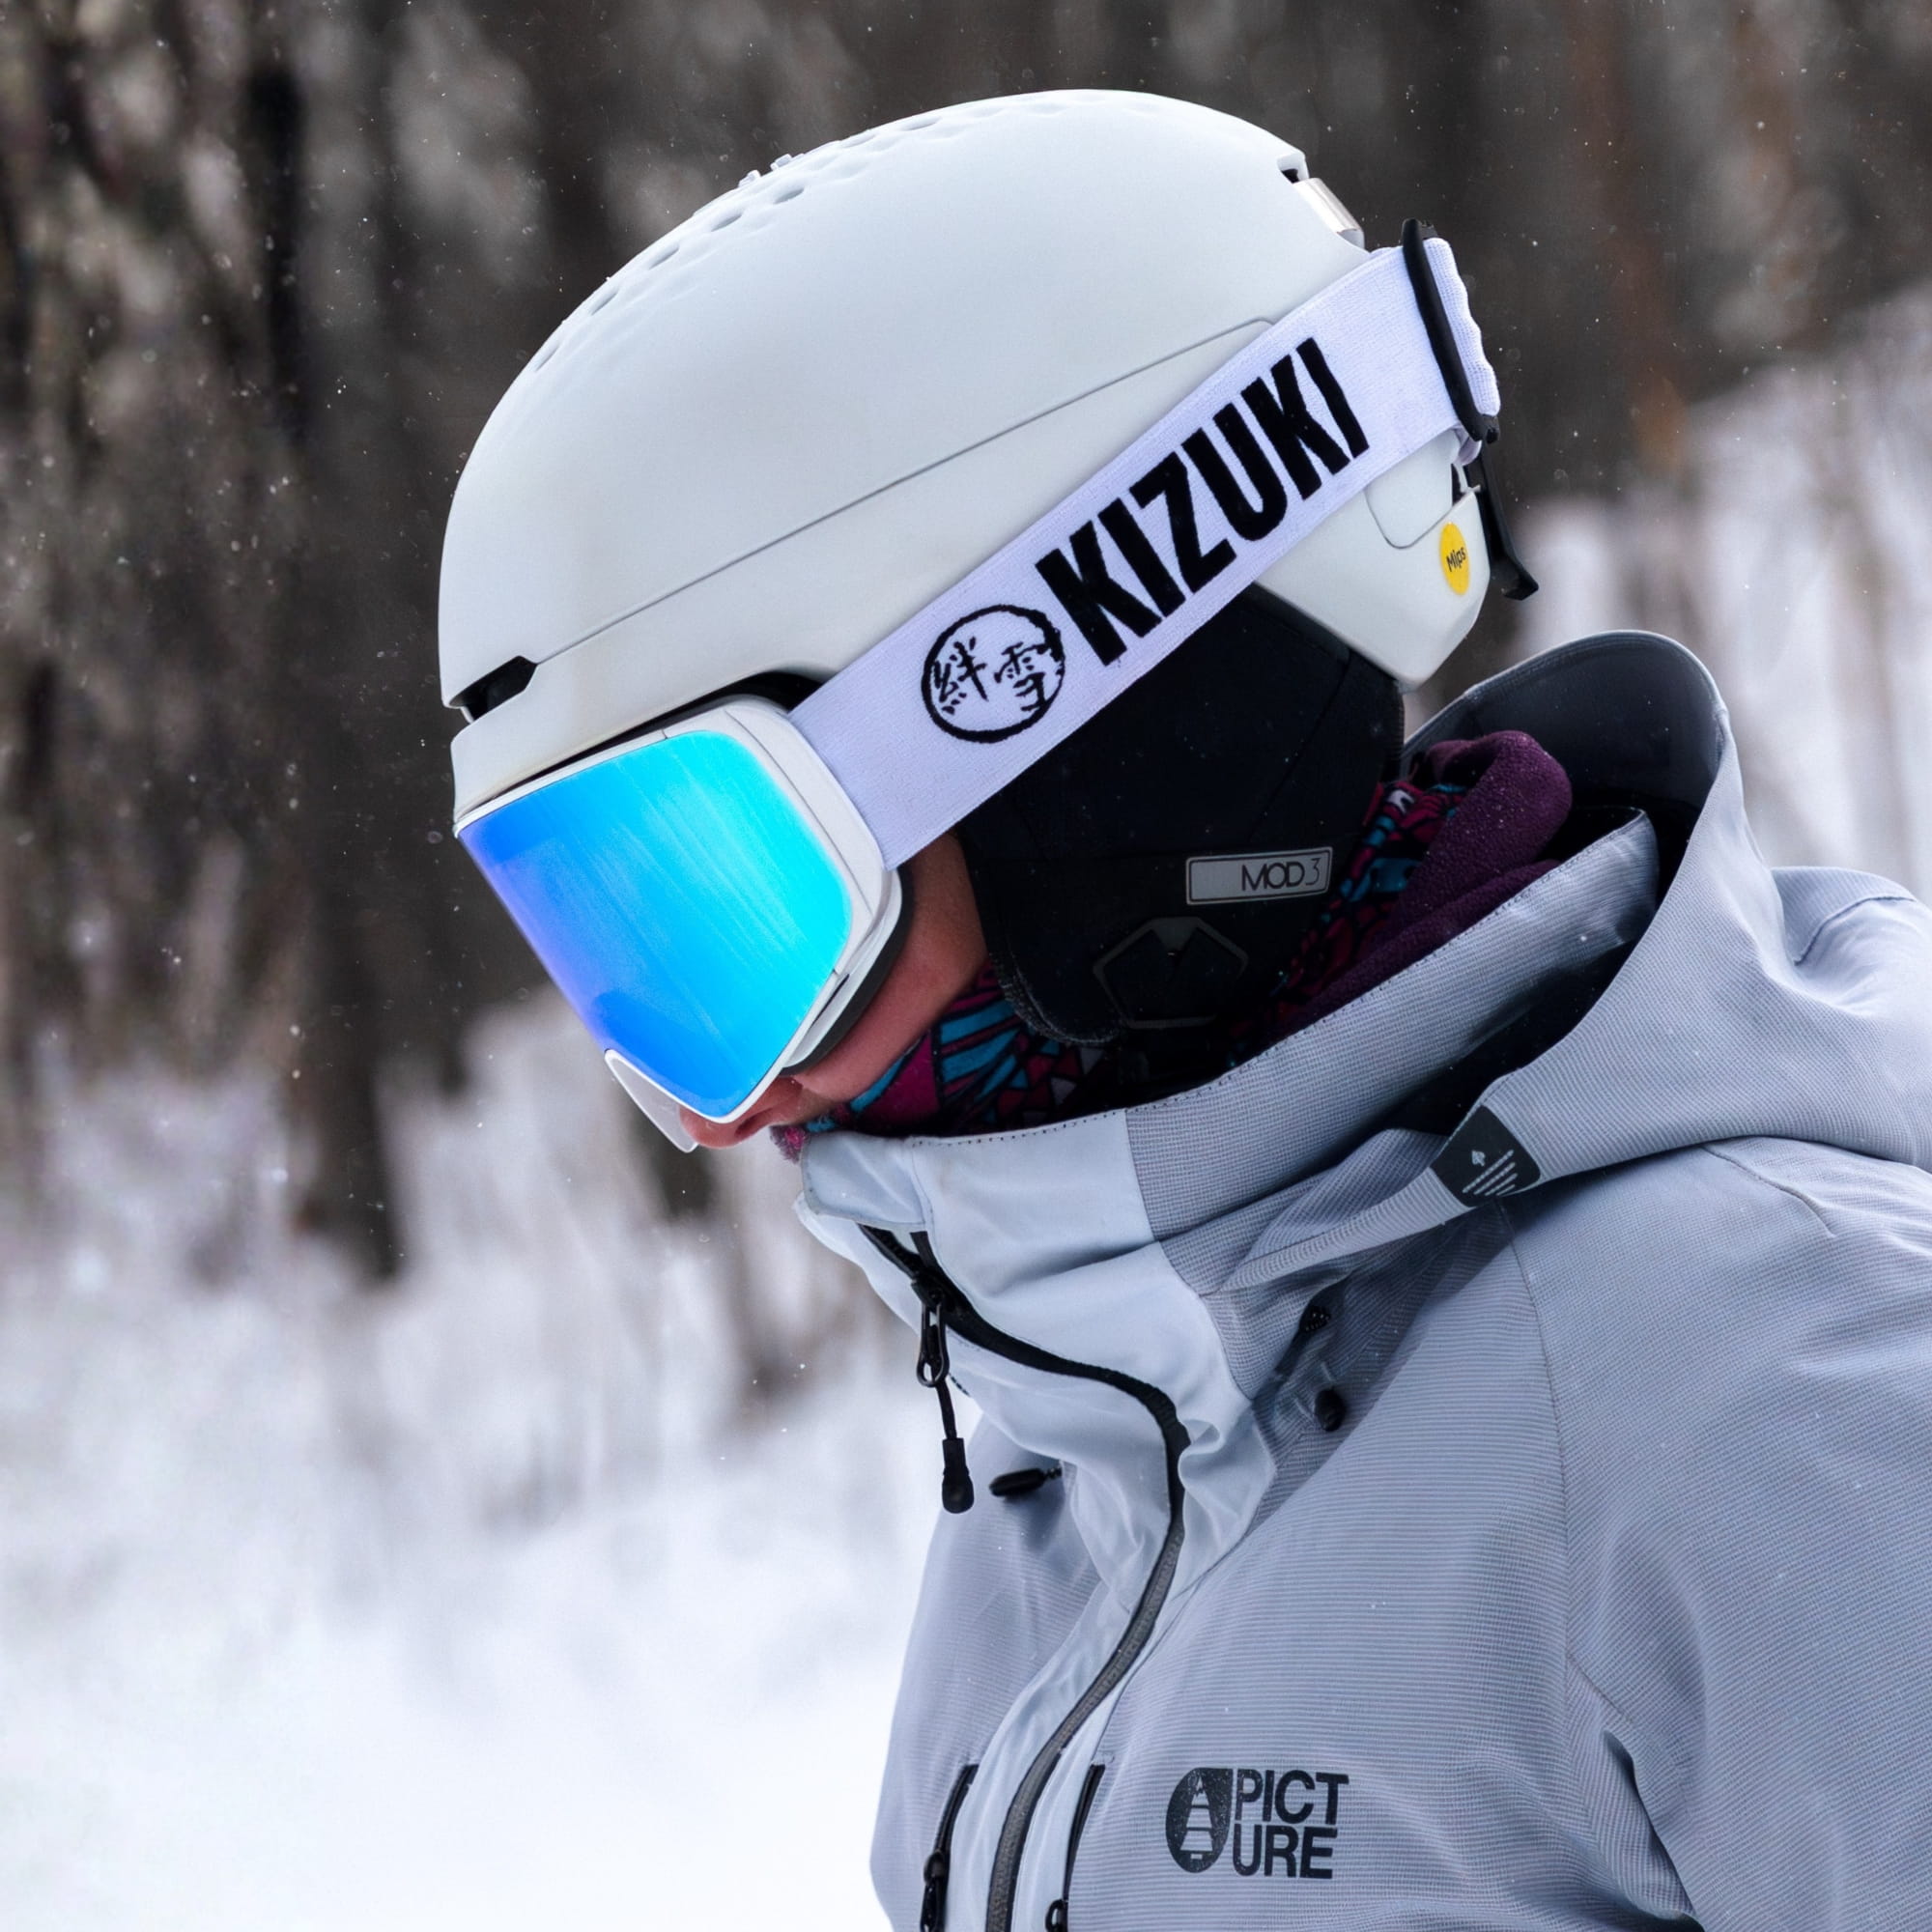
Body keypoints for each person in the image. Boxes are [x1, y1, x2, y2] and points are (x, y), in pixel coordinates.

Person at [438, 91, 1932, 1932]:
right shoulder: (1082, 1461)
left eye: (737, 914)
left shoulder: (1796, 1415)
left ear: (1101, 745)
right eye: (623, 957)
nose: (741, 1108)